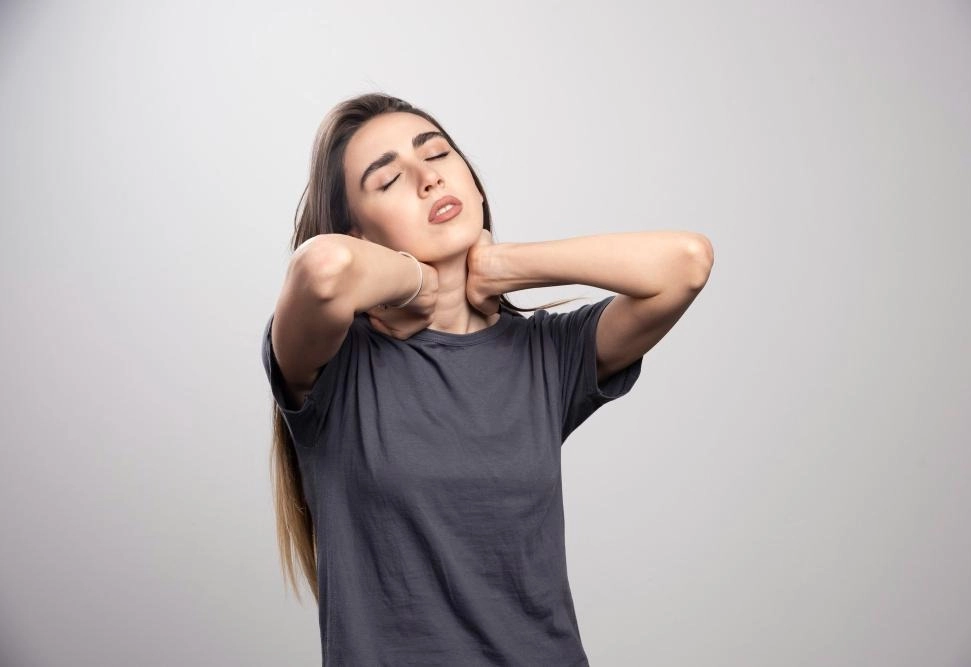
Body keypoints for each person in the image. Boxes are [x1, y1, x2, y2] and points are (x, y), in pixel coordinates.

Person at [260, 92, 714, 665]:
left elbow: (687, 262)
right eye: (390, 179)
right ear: (360, 232)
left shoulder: (548, 356)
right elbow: (324, 270)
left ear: (473, 183)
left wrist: (503, 267)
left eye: (439, 154)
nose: (428, 178)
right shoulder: (332, 369)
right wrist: (419, 286)